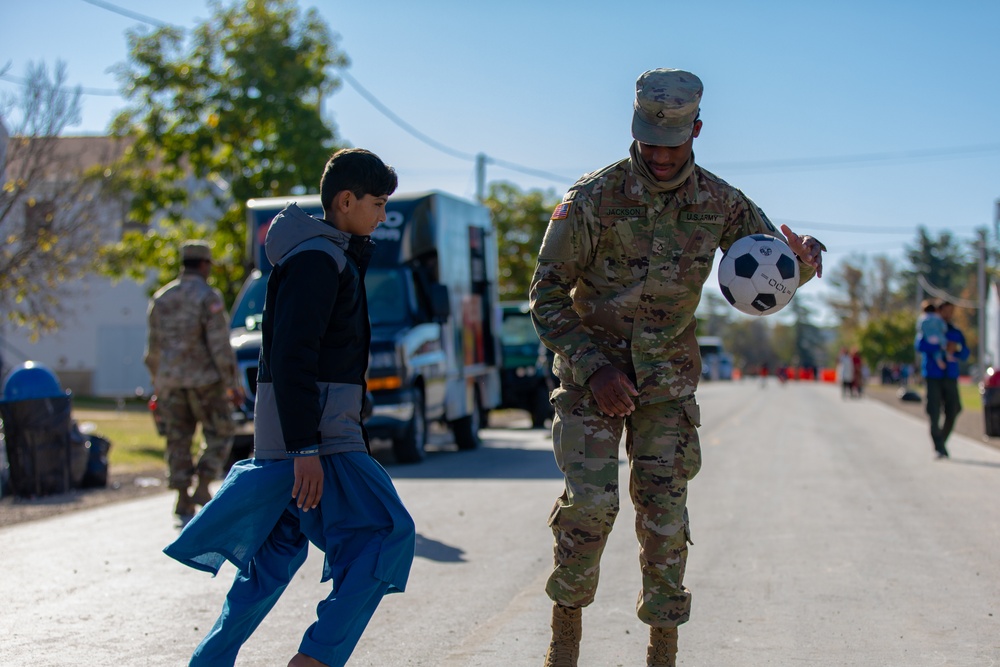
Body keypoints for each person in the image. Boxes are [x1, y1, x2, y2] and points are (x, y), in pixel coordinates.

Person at [529, 68, 826, 667]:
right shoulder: (591, 199)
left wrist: (806, 262)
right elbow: (546, 296)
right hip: (593, 380)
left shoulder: (722, 202)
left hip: (667, 385)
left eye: (674, 142)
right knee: (590, 507)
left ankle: (662, 655)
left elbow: (775, 270)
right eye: (649, 141)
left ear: (696, 129)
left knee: (664, 519)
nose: (660, 156)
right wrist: (593, 368)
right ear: (633, 129)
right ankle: (563, 652)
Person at [164, 148, 416, 667]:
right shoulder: (318, 260)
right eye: (377, 203)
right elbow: (291, 357)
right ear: (345, 201)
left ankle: (208, 662)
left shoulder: (324, 254)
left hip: (298, 437)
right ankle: (316, 659)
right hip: (319, 440)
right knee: (388, 534)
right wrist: (305, 447)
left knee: (271, 562)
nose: (382, 215)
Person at [144, 240, 243, 520]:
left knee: (177, 440)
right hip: (205, 382)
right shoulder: (207, 297)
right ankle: (202, 483)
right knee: (221, 432)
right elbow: (220, 347)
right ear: (204, 265)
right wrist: (232, 385)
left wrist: (158, 384)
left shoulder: (161, 298)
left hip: (171, 383)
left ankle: (182, 496)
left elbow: (153, 350)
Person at [916, 299, 968, 459]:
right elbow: (919, 346)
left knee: (955, 408)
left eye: (951, 311)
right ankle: (939, 447)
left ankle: (941, 441)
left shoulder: (955, 331)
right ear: (939, 311)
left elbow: (965, 352)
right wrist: (941, 347)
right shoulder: (929, 326)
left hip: (950, 375)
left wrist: (956, 349)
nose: (949, 314)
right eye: (946, 311)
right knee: (933, 410)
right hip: (933, 374)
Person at [917, 299, 949, 370]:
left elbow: (919, 329)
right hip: (938, 337)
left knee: (935, 350)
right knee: (942, 346)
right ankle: (946, 356)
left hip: (928, 338)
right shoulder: (937, 318)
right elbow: (944, 328)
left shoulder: (922, 319)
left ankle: (939, 360)